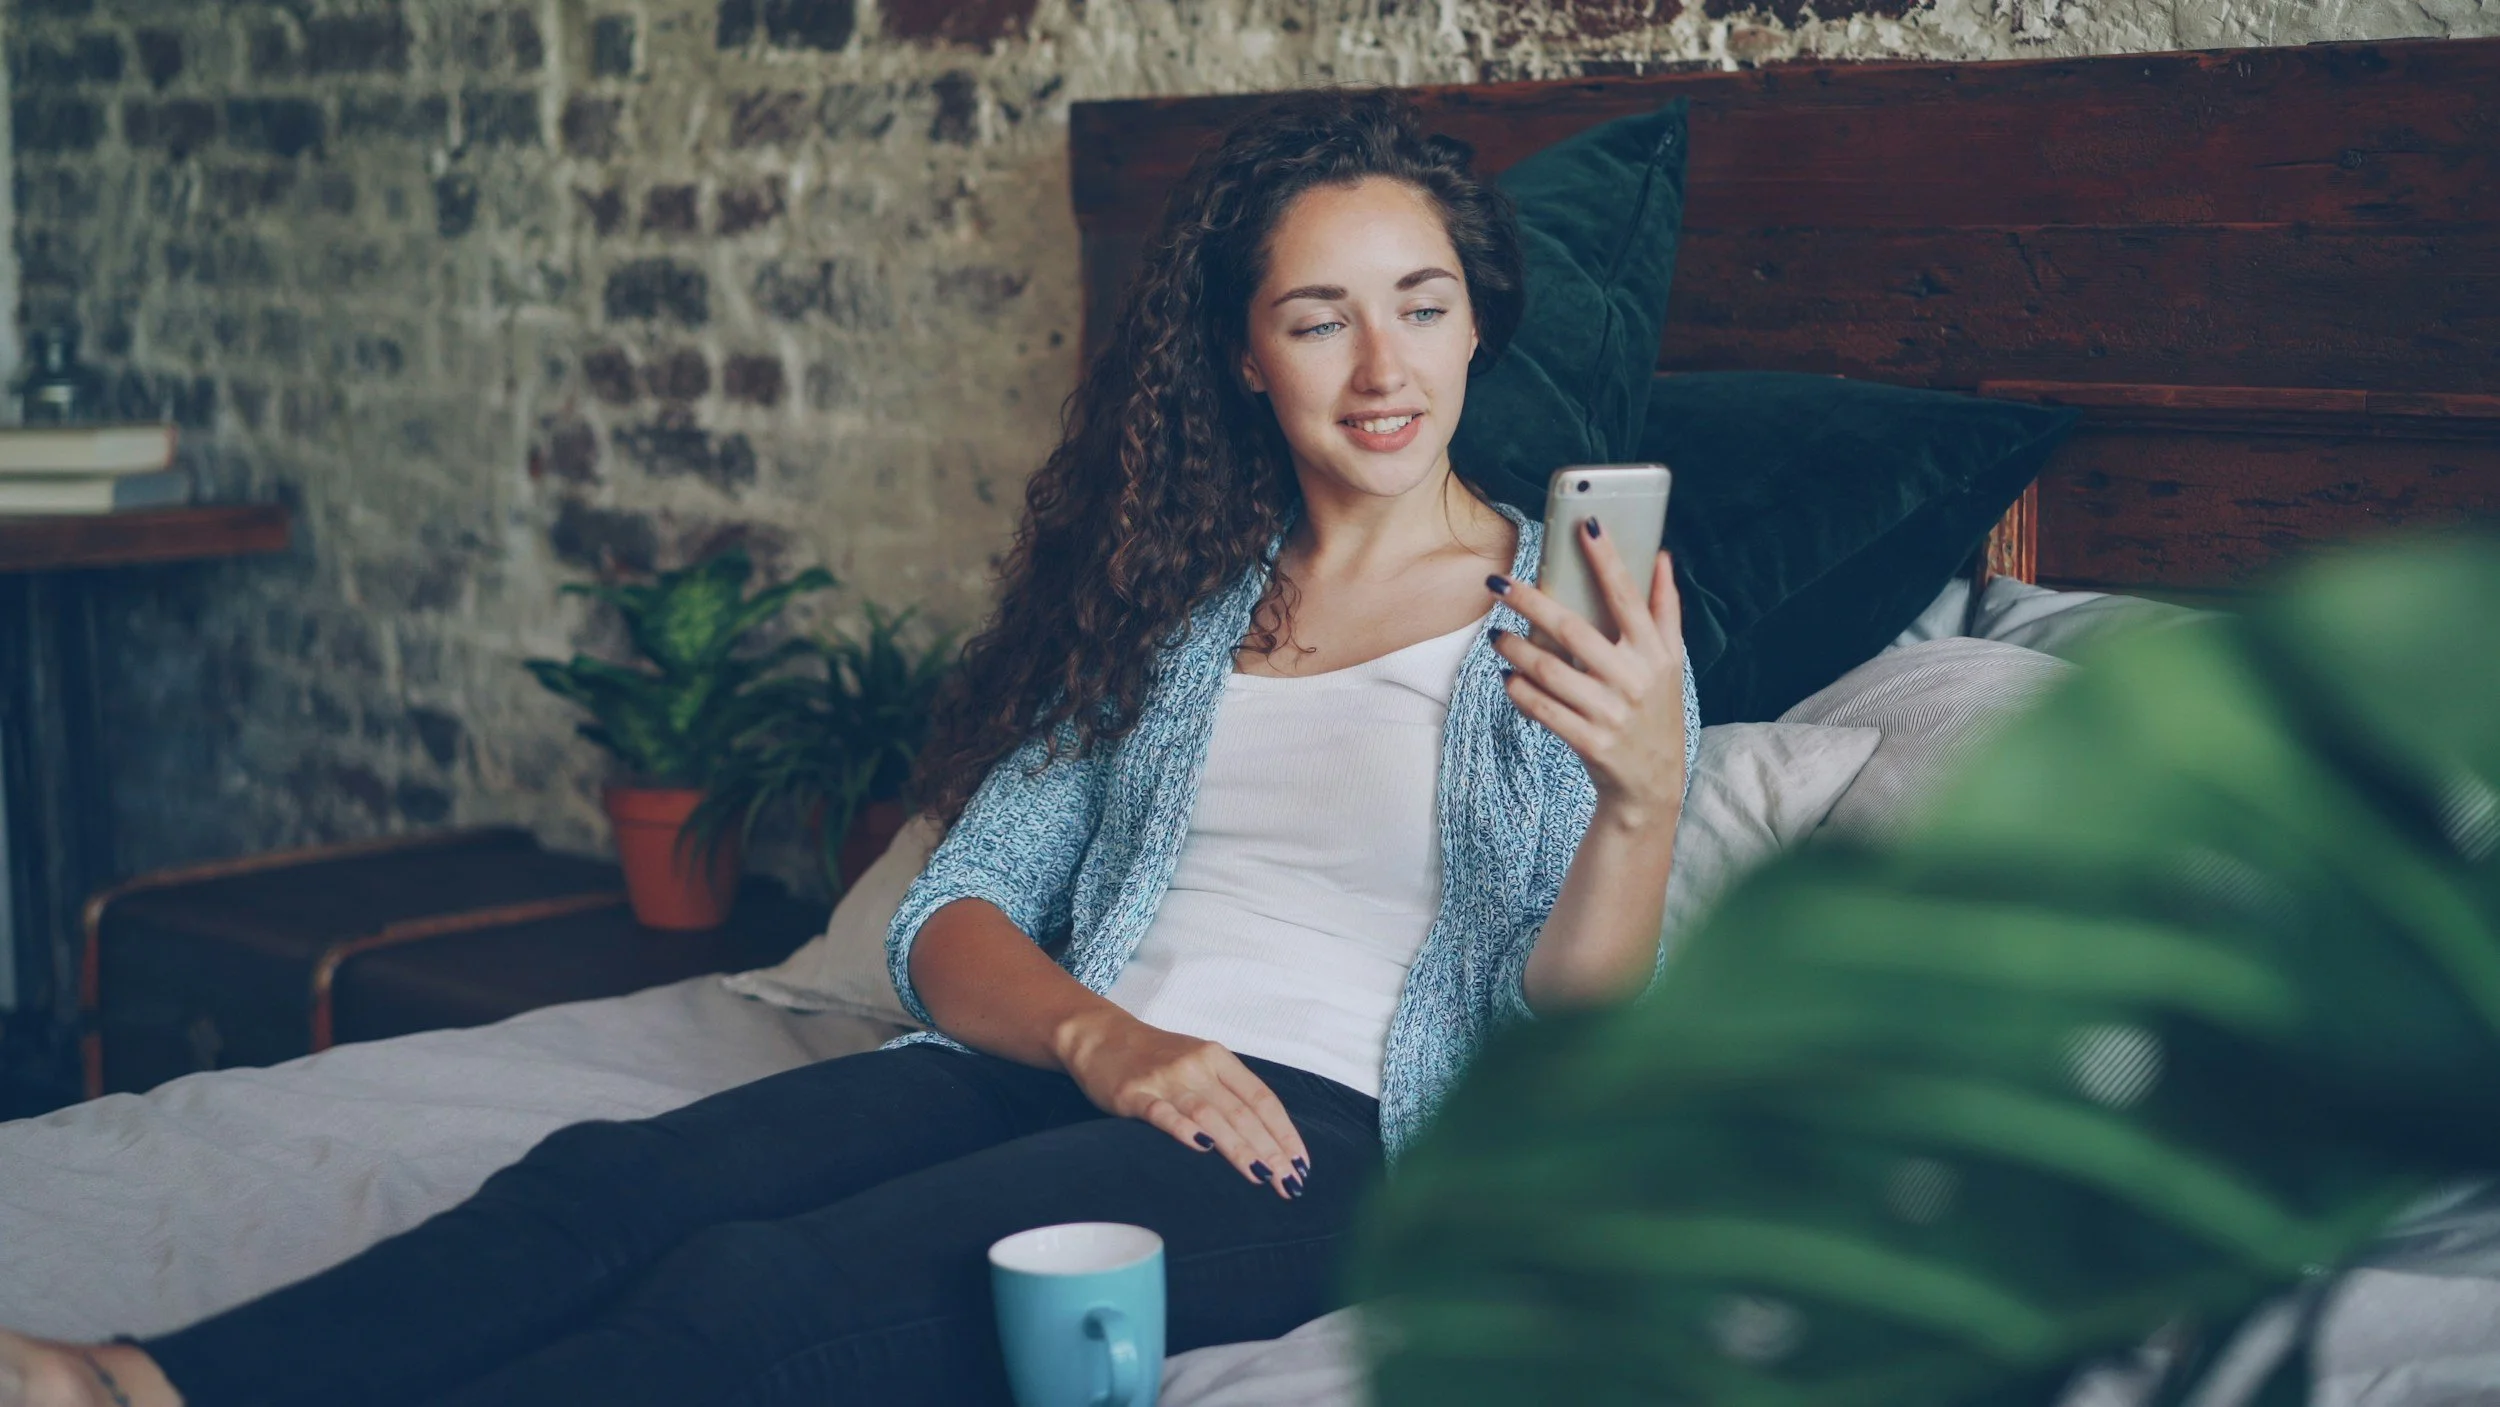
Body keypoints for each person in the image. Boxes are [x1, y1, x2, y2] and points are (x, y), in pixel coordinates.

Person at [0, 88, 1697, 1407]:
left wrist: (1643, 794)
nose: (1384, 365)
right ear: (1249, 358)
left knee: (761, 1295)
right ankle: (134, 1381)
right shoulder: (1182, 605)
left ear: (1478, 322)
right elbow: (951, 914)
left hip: (1329, 1133)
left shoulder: (1574, 616)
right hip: (1076, 1058)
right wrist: (1106, 1038)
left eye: (1422, 305)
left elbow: (1574, 1041)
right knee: (610, 1186)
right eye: (1321, 318)